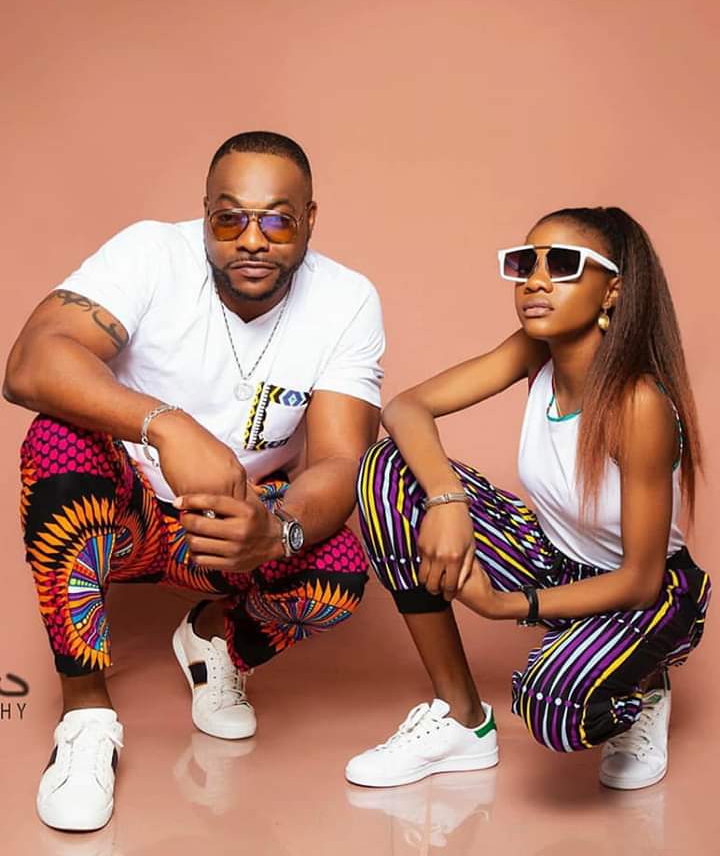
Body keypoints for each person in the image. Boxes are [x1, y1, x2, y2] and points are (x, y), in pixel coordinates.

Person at [4, 131, 384, 831]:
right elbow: (31, 363)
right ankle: (85, 716)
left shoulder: (346, 299)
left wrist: (277, 530)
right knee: (56, 439)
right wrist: (168, 426)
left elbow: (339, 460)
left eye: (278, 220)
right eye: (229, 217)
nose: (252, 239)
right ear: (204, 212)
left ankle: (211, 639)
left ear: (309, 218)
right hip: (125, 516)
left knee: (338, 570)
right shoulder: (152, 253)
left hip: (230, 529)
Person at [346, 206, 710, 792]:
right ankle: (462, 718)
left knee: (551, 705)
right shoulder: (534, 351)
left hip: (646, 593)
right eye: (525, 264)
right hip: (551, 558)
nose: (536, 281)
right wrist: (446, 500)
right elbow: (405, 409)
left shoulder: (639, 403)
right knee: (386, 469)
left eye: (562, 264)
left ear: (612, 290)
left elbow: (641, 580)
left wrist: (504, 605)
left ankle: (644, 687)